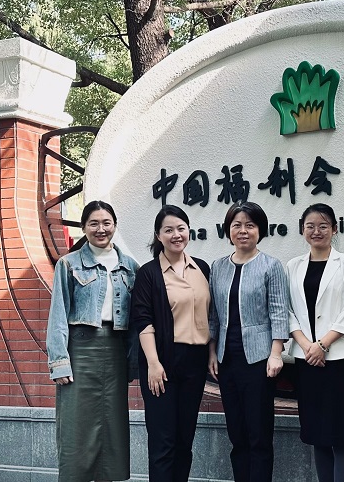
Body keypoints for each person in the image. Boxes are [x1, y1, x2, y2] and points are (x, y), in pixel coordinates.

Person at [46, 200, 139, 482]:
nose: (101, 229)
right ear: (84, 227)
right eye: (94, 223)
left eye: (106, 223)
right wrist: (59, 362)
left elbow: (137, 321)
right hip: (81, 350)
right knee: (76, 424)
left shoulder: (130, 266)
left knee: (112, 425)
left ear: (115, 225)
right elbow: (58, 314)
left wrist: (134, 362)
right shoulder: (69, 264)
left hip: (115, 352)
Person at [208, 201, 289, 482]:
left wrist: (276, 353)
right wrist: (211, 352)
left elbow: (279, 311)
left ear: (260, 230)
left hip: (258, 360)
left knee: (259, 434)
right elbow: (213, 315)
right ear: (228, 230)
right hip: (226, 359)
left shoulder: (271, 266)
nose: (243, 231)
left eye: (250, 225)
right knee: (237, 433)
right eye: (237, 225)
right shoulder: (218, 267)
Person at [130, 205, 210, 482]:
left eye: (181, 228)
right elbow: (143, 320)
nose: (176, 235)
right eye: (169, 230)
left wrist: (211, 353)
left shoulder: (202, 268)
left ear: (188, 231)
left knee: (184, 440)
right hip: (161, 362)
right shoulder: (148, 273)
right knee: (163, 442)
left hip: (195, 362)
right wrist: (153, 363)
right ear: (158, 235)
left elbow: (211, 317)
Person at [286, 203, 344, 482]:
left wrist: (323, 345)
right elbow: (288, 310)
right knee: (317, 435)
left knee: (340, 436)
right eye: (310, 226)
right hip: (306, 358)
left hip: (339, 358)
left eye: (323, 226)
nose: (316, 231)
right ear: (302, 230)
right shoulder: (293, 266)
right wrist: (307, 345)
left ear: (334, 229)